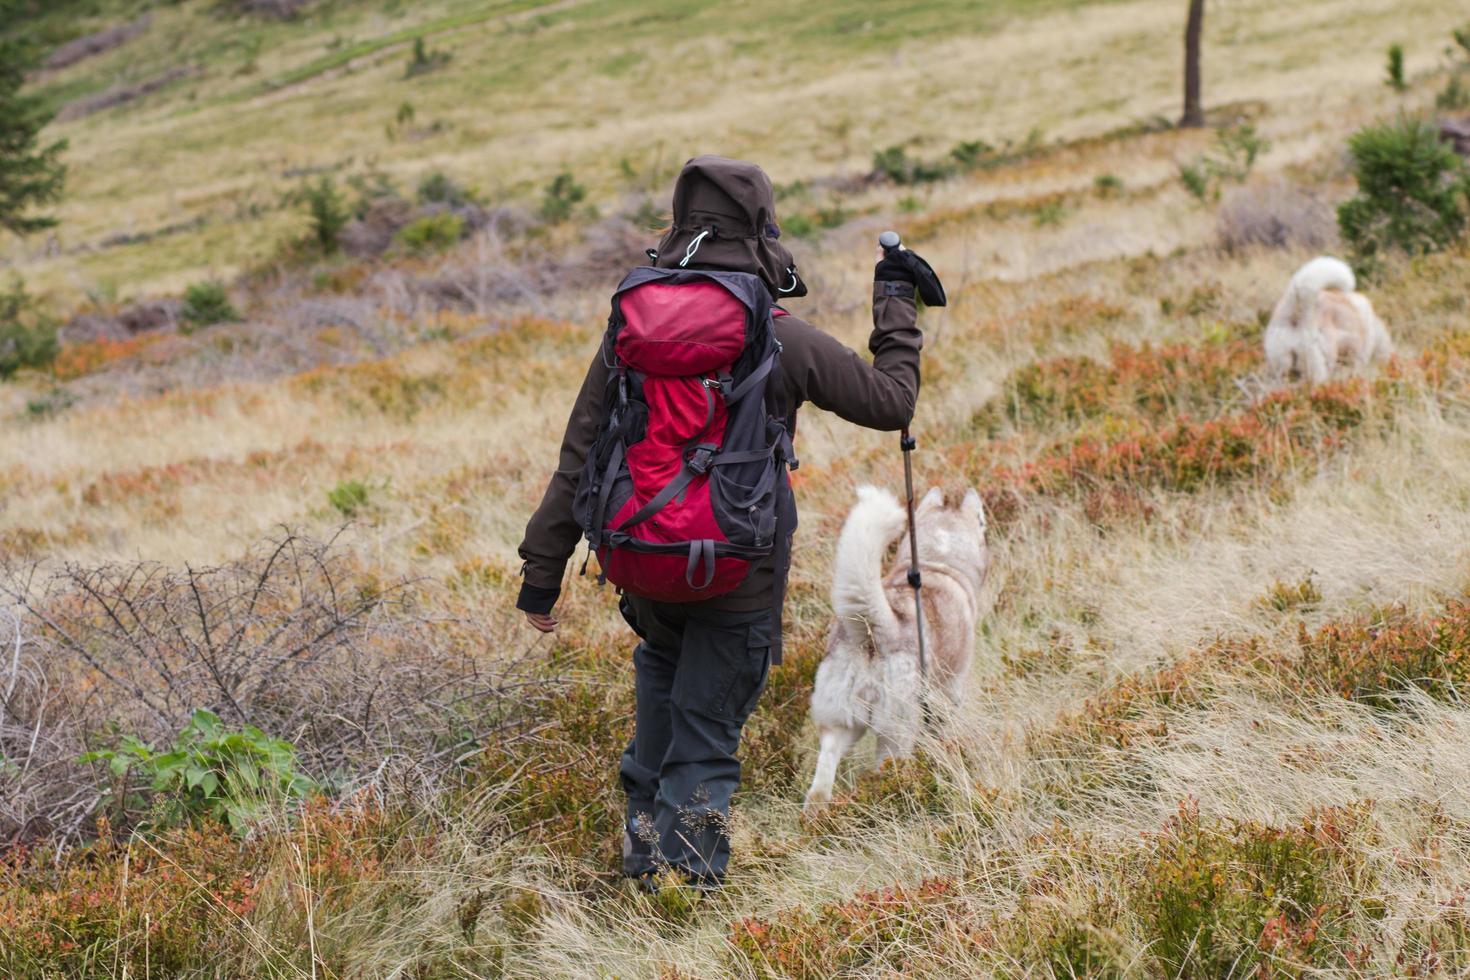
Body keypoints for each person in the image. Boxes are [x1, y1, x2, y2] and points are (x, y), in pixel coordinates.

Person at [516, 155, 927, 889]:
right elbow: (891, 403)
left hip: (642, 561)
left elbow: (579, 452)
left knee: (662, 709)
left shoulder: (632, 327)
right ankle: (691, 898)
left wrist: (541, 576)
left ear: (678, 226)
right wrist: (895, 306)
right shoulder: (779, 335)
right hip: (739, 569)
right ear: (761, 230)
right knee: (705, 736)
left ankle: (644, 873)